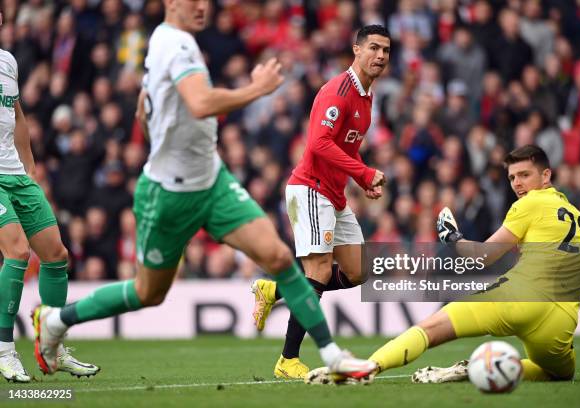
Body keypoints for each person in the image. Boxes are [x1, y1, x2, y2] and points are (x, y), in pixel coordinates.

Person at [31, 0, 376, 383]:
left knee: (279, 257)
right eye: (193, 0)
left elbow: (149, 113)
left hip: (213, 181)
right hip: (170, 193)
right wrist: (256, 89)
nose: (202, 7)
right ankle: (57, 319)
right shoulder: (173, 45)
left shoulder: (180, 43)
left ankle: (330, 355)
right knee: (149, 292)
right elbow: (199, 103)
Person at [360, 144, 580, 384]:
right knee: (557, 373)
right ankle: (476, 369)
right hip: (561, 323)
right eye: (512, 177)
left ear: (546, 175)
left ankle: (365, 368)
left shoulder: (529, 203)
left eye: (524, 175)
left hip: (518, 300)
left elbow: (483, 256)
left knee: (431, 328)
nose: (518, 184)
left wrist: (453, 239)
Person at [251, 25, 390, 379]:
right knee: (319, 272)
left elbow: (346, 147)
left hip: (334, 194)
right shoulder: (338, 91)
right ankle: (288, 360)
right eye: (373, 48)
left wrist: (361, 180)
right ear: (356, 50)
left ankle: (276, 289)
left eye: (386, 51)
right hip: (310, 189)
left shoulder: (367, 95)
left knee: (358, 270)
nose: (380, 56)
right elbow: (318, 143)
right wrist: (364, 171)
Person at [0, 13, 99, 382]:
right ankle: (4, 350)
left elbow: (17, 114)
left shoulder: (7, 61)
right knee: (17, 252)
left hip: (15, 172)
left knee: (56, 256)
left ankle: (51, 345)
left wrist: (29, 162)